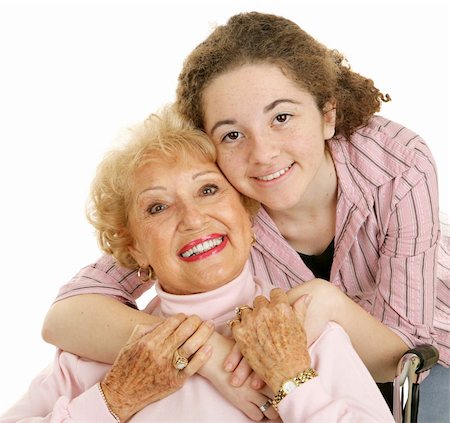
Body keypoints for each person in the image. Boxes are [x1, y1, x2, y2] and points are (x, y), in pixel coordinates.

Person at [41, 11, 449, 421]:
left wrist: (330, 305)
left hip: (424, 358)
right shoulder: (214, 194)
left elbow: (410, 355)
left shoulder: (397, 163)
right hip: (285, 366)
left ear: (328, 115)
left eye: (282, 118)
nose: (262, 153)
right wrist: (207, 354)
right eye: (232, 134)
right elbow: (68, 313)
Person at [0, 107, 394, 422]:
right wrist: (114, 400)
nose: (192, 218)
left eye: (208, 190)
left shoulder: (301, 334)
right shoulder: (98, 351)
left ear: (247, 212)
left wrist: (293, 383)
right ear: (133, 248)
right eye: (158, 207)